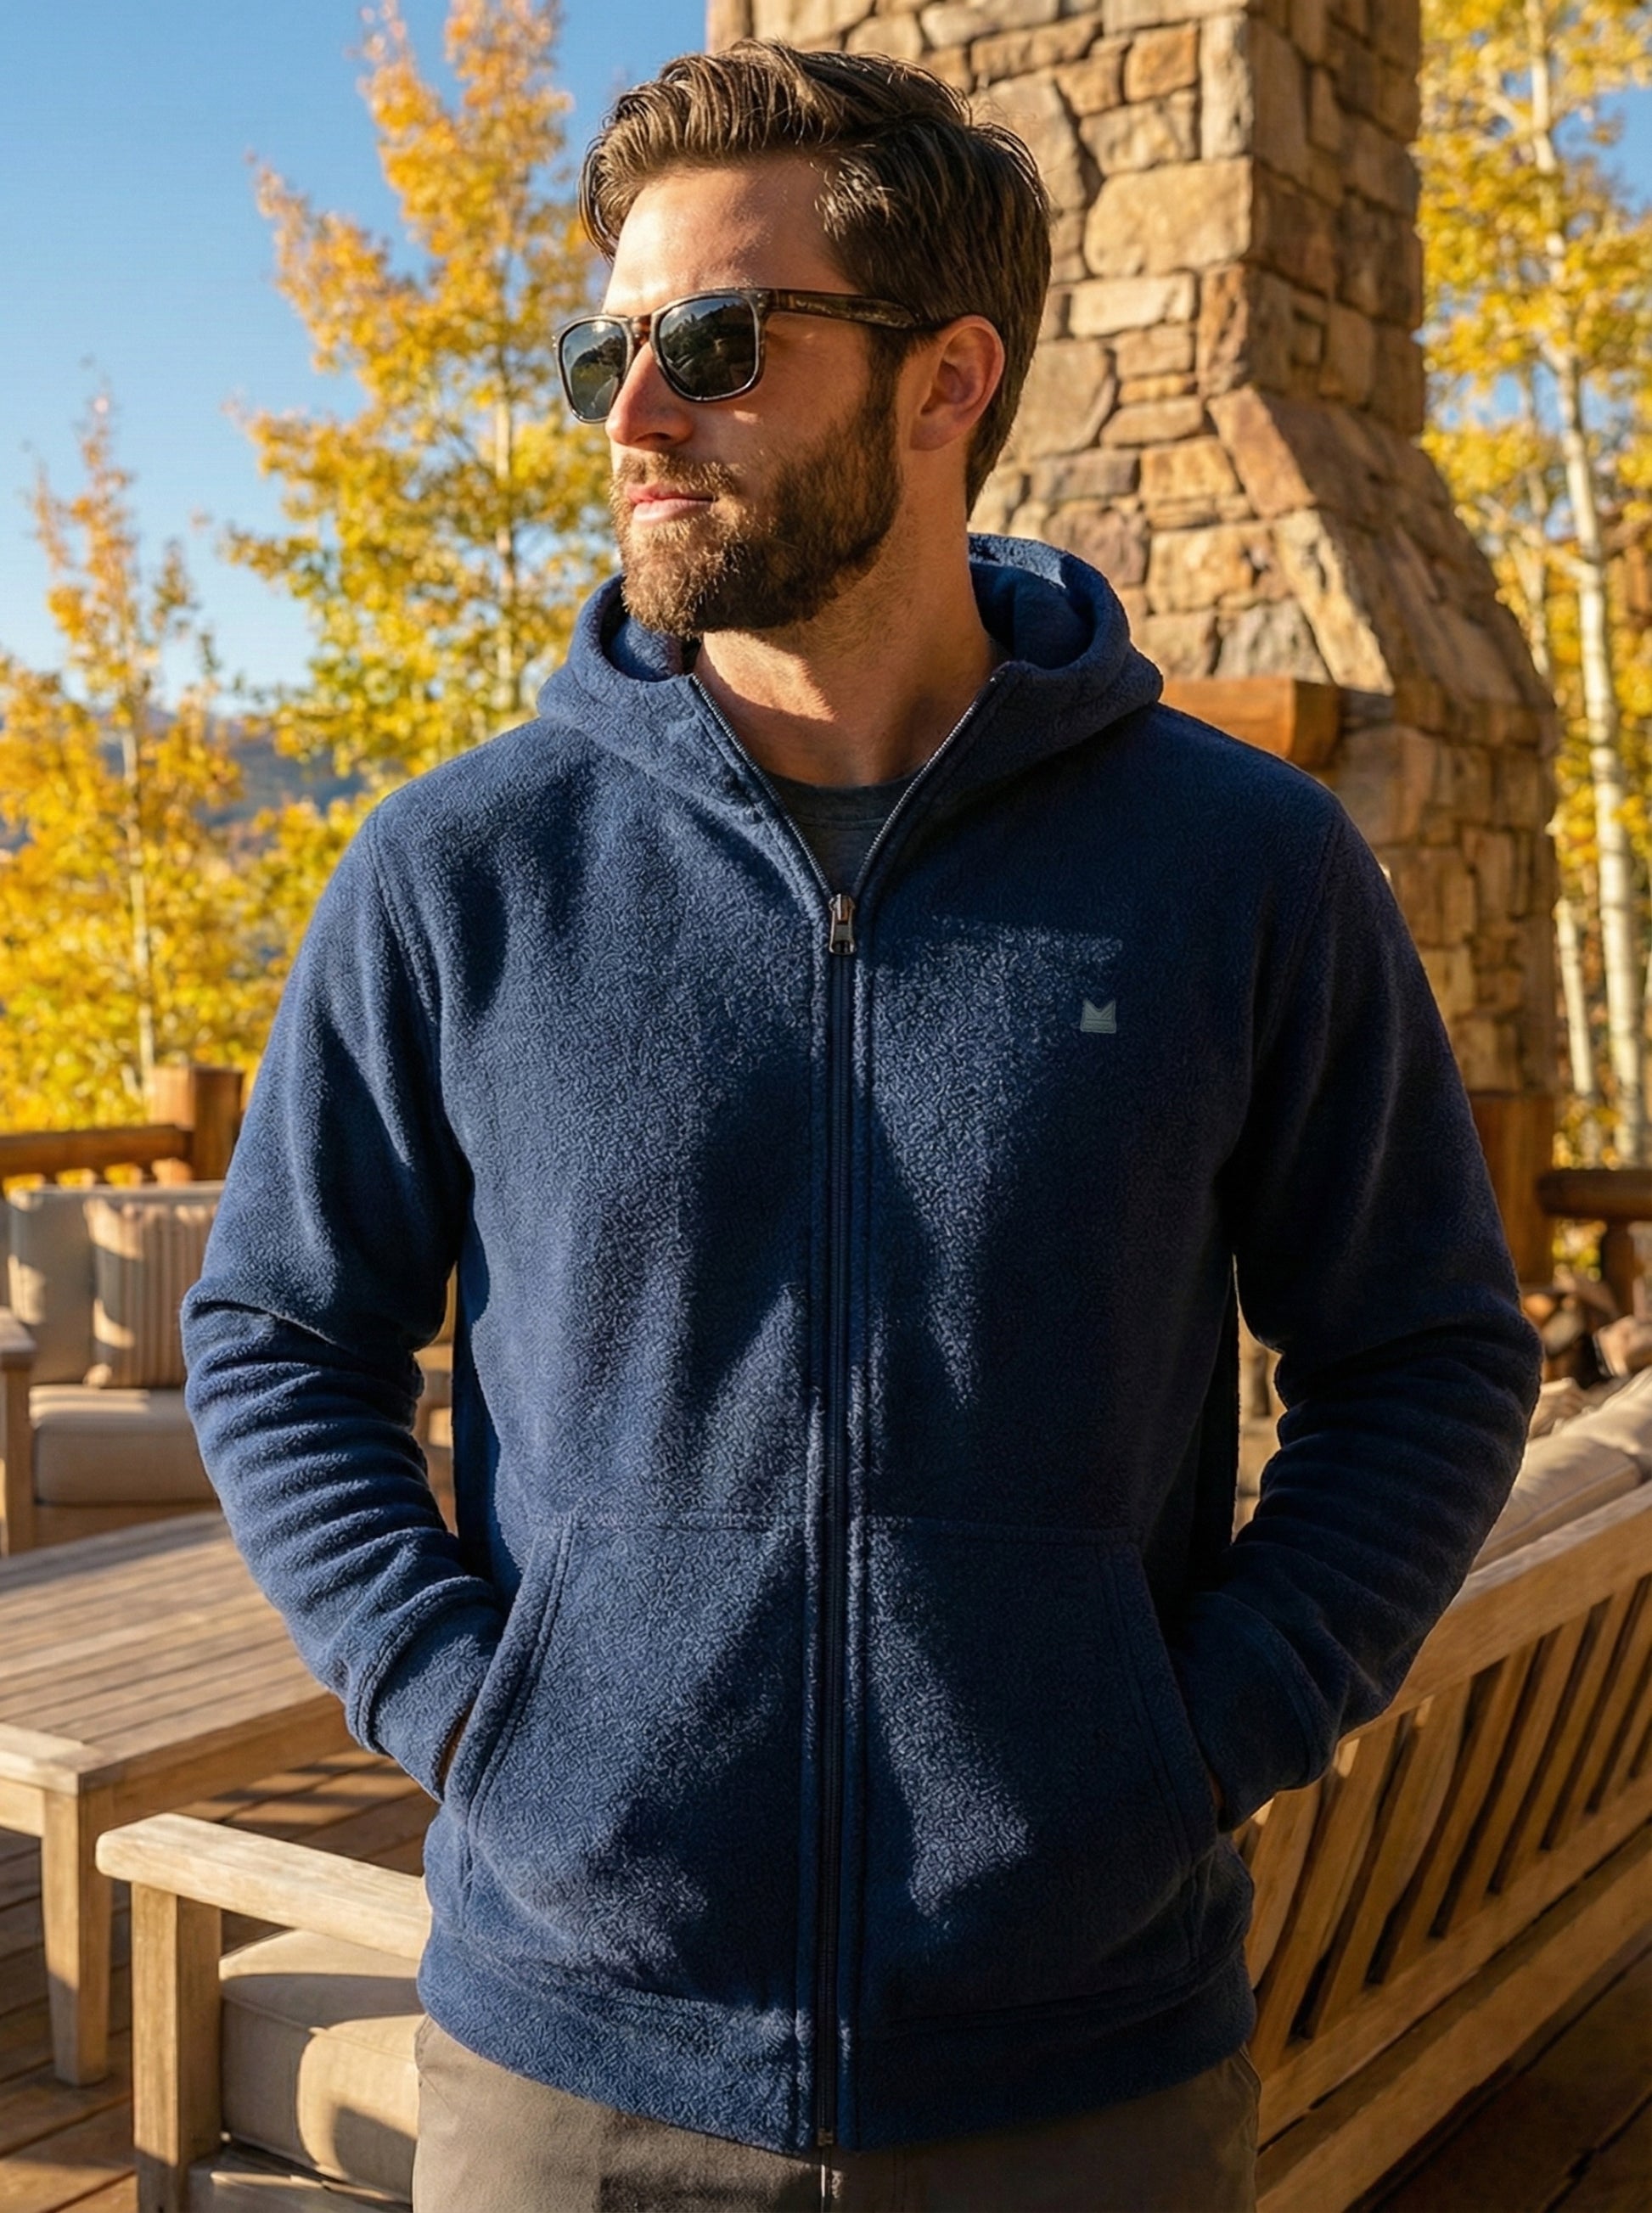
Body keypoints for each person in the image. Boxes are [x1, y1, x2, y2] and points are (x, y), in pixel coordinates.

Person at [181, 42, 1541, 2213]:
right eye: (604, 351)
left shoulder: (1241, 866)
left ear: (944, 382)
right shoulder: (457, 868)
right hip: (567, 2067)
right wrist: (471, 1714)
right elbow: (272, 1334)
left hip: (1077, 2067)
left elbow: (1429, 1349)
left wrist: (1199, 1734)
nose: (634, 415)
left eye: (714, 345)